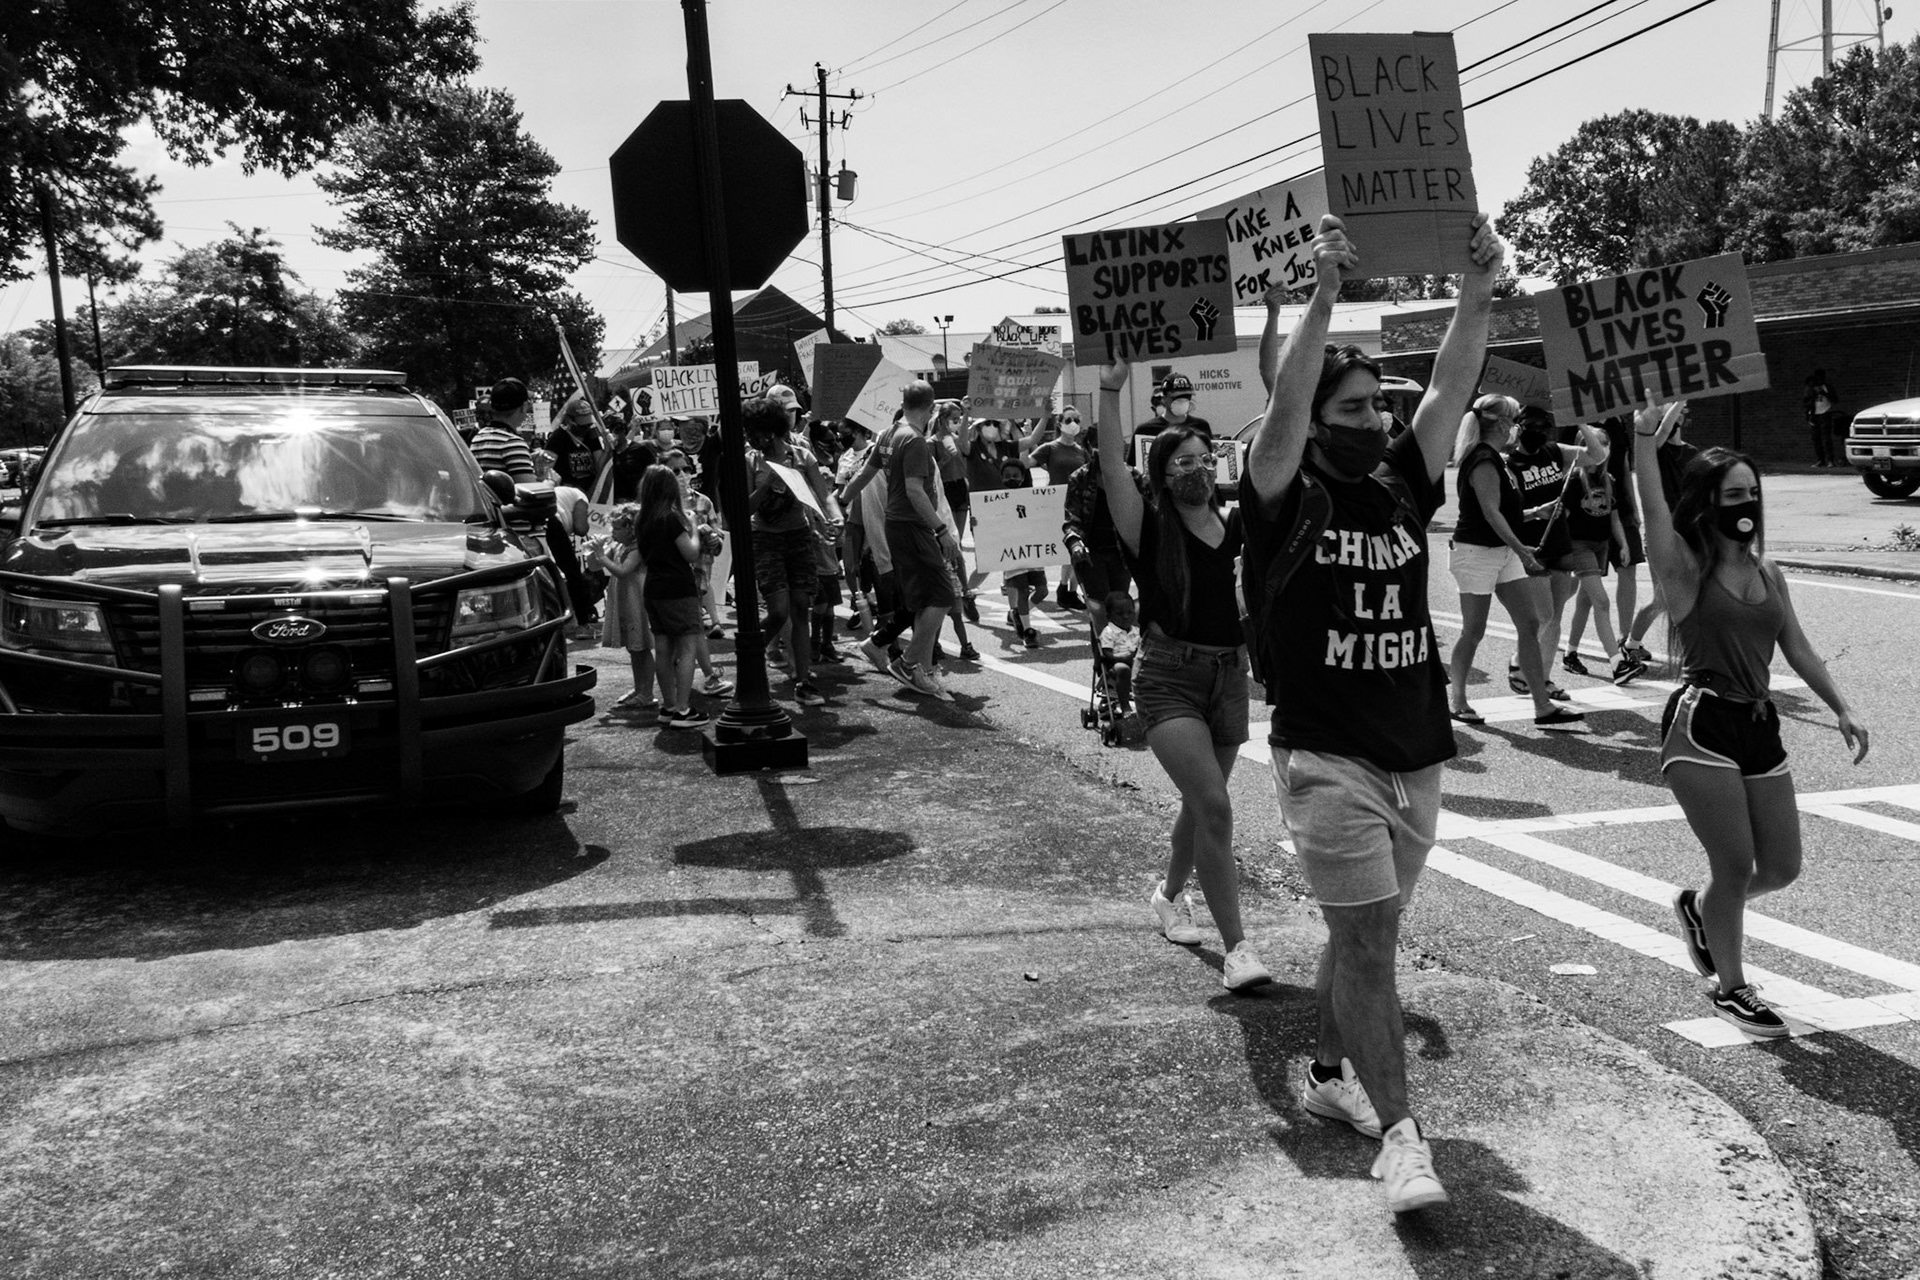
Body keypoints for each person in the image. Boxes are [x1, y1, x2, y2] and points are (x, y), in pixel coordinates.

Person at [1243, 212, 1507, 1215]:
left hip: (1414, 752)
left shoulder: (1401, 482)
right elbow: (1285, 404)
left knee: (1369, 929)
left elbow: (1448, 387)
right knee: (1368, 947)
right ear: (1316, 418)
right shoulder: (1280, 485)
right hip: (1327, 758)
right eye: (1353, 406)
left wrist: (1477, 290)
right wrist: (1321, 295)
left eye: (1376, 405)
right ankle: (1402, 1140)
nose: (1375, 417)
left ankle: (1326, 1074)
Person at [1632, 400, 1869, 1036]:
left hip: (1760, 724)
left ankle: (1700, 908)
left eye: (1752, 493)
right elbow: (1652, 510)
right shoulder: (1684, 568)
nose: (1746, 504)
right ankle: (1731, 988)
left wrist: (1842, 706)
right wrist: (1643, 439)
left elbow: (1798, 646)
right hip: (1702, 723)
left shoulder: (1767, 570)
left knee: (1782, 868)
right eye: (1733, 494)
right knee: (1734, 866)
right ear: (1706, 501)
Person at [1095, 360, 1269, 993]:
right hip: (1168, 677)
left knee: (1201, 807)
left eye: (1204, 458)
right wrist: (1110, 389)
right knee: (1216, 808)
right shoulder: (1147, 525)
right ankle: (1239, 950)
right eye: (1182, 462)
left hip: (1229, 677)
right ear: (1161, 474)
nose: (1196, 469)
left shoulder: (1238, 524)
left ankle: (1168, 897)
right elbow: (1111, 467)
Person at [1443, 396, 1583, 728]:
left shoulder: (1496, 459)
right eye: (1515, 419)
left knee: (1530, 624)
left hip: (1501, 552)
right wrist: (1522, 549)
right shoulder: (1483, 459)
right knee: (1473, 631)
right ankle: (1458, 701)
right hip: (1475, 553)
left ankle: (1542, 706)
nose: (1519, 426)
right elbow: (1490, 514)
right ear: (1502, 424)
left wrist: (1535, 512)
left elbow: (1504, 511)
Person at [1503, 404, 1607, 702]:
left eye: (1544, 428)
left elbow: (1597, 455)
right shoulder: (1508, 463)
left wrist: (1581, 422)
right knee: (1543, 617)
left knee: (1555, 618)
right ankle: (1519, 662)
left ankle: (1544, 678)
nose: (1539, 433)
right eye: (1532, 427)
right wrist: (1538, 512)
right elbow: (1505, 512)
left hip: (1559, 543)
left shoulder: (1554, 452)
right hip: (1531, 547)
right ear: (1519, 428)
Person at [744, 394, 839, 709]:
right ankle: (751, 652)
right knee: (779, 610)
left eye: (757, 432)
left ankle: (804, 681)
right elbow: (744, 509)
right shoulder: (751, 461)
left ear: (772, 430)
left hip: (799, 536)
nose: (752, 438)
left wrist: (834, 517)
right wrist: (767, 483)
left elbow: (823, 495)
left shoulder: (801, 457)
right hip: (765, 538)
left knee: (801, 608)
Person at [876, 381, 962, 701]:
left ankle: (922, 669)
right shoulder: (913, 439)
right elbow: (915, 491)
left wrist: (840, 500)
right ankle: (909, 661)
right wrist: (941, 531)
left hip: (906, 525)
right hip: (913, 525)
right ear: (931, 408)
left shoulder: (890, 434)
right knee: (942, 595)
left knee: (927, 599)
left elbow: (868, 474)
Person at [635, 465, 712, 730]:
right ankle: (682, 709)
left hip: (654, 589)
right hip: (678, 588)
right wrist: (694, 528)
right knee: (688, 647)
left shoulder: (642, 520)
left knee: (663, 649)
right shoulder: (670, 519)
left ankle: (668, 706)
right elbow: (690, 553)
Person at [1062, 428, 1151, 634]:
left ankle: (1122, 649)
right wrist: (1075, 544)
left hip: (1123, 553)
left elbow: (1149, 513)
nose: (1106, 450)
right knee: (1099, 610)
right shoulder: (1080, 478)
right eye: (1099, 445)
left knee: (1121, 608)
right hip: (1091, 553)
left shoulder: (1133, 476)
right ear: (1088, 447)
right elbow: (1071, 519)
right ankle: (1102, 651)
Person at [1557, 450, 1634, 680]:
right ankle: (1617, 663)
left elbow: (1614, 518)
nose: (1603, 451)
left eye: (1607, 446)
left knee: (1585, 601)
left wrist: (1624, 545)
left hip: (1601, 545)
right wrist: (1559, 550)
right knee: (1602, 601)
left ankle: (1570, 654)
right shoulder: (1573, 480)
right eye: (1598, 445)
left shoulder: (1608, 480)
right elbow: (1562, 518)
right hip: (1579, 546)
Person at [593, 502, 657, 712]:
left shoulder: (637, 549)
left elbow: (622, 571)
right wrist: (595, 552)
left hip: (636, 600)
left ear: (631, 529)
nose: (612, 532)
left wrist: (602, 556)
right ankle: (639, 689)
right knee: (633, 648)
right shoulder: (619, 546)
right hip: (625, 599)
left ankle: (647, 692)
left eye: (617, 528)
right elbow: (594, 566)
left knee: (641, 647)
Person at [1032, 408, 1092, 610]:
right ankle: (1059, 587)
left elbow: (1089, 475)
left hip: (1077, 505)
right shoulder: (1050, 448)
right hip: (1055, 505)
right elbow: (1025, 462)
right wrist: (1026, 440)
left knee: (1077, 548)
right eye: (1068, 420)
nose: (1073, 423)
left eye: (1076, 420)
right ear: (1059, 424)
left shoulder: (1082, 451)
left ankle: (1069, 590)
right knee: (1061, 549)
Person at [470, 378, 537, 481]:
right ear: (523, 407)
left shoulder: (478, 438)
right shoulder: (513, 443)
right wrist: (550, 480)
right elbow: (530, 488)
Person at [545, 394, 608, 490]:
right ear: (568, 420)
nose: (586, 427)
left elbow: (600, 468)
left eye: (588, 424)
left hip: (590, 490)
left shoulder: (591, 434)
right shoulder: (558, 437)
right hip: (566, 490)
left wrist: (607, 449)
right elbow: (547, 469)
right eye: (582, 424)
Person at [1096, 590, 1139, 716]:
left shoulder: (1137, 631)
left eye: (1129, 613)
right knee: (1122, 668)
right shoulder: (1109, 632)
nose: (1125, 617)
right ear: (1109, 616)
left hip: (1137, 662)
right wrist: (1124, 658)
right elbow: (1107, 653)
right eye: (1120, 614)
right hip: (1115, 665)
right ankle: (1125, 706)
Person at [1804, 369, 1839, 467]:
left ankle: (1830, 460)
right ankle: (1820, 460)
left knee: (1826, 438)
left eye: (1821, 377)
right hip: (1814, 414)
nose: (1820, 379)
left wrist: (1824, 393)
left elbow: (1835, 400)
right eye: (1818, 377)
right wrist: (1813, 394)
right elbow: (1805, 401)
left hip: (1825, 413)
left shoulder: (1827, 387)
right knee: (1816, 438)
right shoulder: (1811, 387)